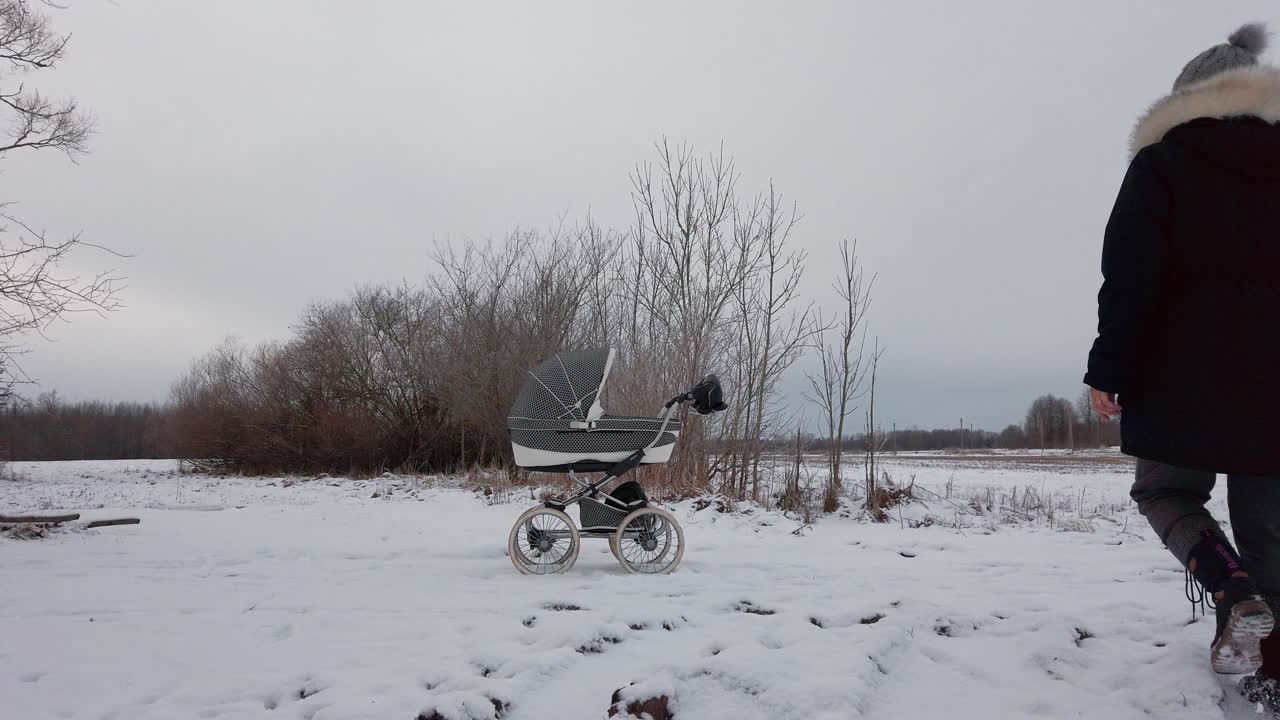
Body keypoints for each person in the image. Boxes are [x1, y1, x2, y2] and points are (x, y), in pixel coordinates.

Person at [1084, 22, 1280, 706]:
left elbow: (1130, 275)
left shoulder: (1164, 163)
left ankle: (1231, 591)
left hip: (1180, 378)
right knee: (1270, 527)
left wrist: (1109, 369)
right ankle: (1277, 669)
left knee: (1165, 491)